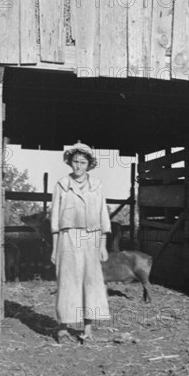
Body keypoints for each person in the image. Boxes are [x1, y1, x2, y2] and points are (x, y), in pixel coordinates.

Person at [50, 142, 111, 344]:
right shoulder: (61, 185)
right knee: (67, 282)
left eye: (83, 162)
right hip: (67, 239)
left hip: (91, 238)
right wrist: (54, 248)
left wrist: (102, 244)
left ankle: (87, 330)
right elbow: (55, 220)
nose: (78, 166)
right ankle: (63, 329)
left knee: (91, 283)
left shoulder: (97, 186)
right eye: (75, 162)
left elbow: (103, 214)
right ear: (70, 162)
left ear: (89, 164)